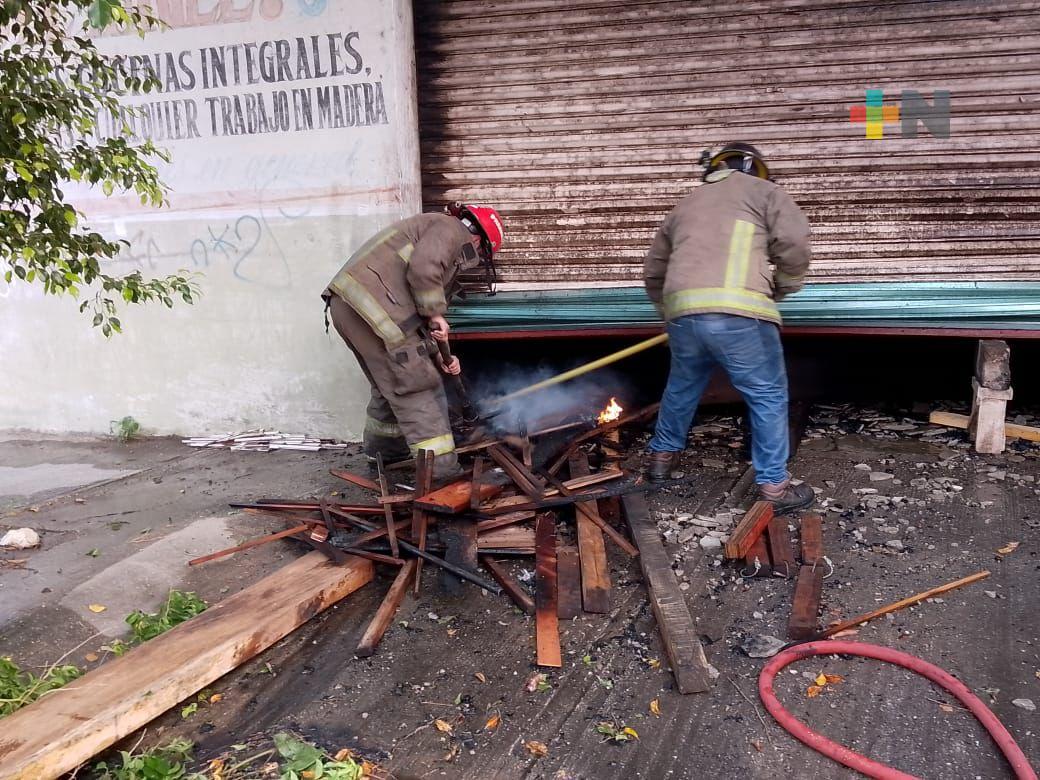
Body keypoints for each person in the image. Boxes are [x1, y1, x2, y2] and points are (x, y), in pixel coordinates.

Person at [642, 142, 814, 513]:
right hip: (740, 314)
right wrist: (783, 285)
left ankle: (660, 459)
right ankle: (773, 486)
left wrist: (669, 313)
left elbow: (654, 269)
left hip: (684, 315)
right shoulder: (765, 192)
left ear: (715, 168)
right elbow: (794, 243)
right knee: (766, 394)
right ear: (755, 168)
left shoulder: (685, 204)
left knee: (683, 386)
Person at [324, 203, 504, 477]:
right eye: (481, 253)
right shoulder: (450, 229)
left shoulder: (431, 227)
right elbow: (423, 270)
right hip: (376, 312)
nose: (477, 257)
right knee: (418, 384)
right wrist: (436, 314)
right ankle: (442, 472)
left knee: (391, 385)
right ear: (478, 240)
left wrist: (442, 354)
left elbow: (415, 319)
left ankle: (384, 455)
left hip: (352, 309)